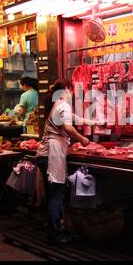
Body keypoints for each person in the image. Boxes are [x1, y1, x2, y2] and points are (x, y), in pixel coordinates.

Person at [36, 79, 95, 246]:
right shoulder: (64, 104)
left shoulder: (56, 104)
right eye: (72, 90)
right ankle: (55, 235)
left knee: (52, 195)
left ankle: (53, 230)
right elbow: (68, 127)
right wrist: (83, 139)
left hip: (45, 153)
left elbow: (74, 119)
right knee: (57, 195)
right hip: (52, 154)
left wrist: (93, 122)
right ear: (67, 89)